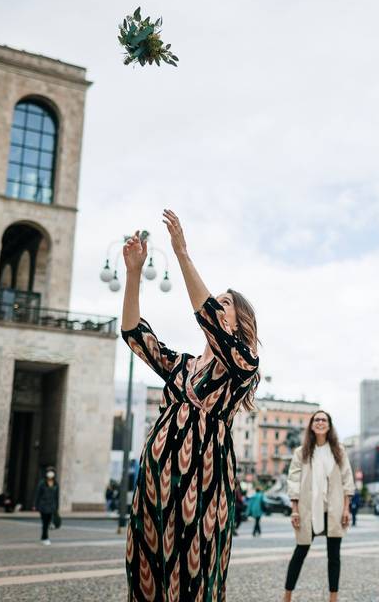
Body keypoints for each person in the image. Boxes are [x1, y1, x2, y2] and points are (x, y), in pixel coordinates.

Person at [121, 210, 260, 602]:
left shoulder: (244, 364)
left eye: (226, 302)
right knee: (147, 563)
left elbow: (208, 318)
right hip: (156, 479)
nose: (217, 302)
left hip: (202, 480)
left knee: (193, 571)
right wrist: (133, 275)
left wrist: (181, 254)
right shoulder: (182, 366)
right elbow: (135, 335)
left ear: (239, 321)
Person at [282, 410, 355, 602]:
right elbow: (294, 481)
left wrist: (346, 508)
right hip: (308, 510)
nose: (320, 422)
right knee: (300, 552)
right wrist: (294, 510)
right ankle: (287, 596)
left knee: (334, 556)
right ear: (312, 425)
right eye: (317, 420)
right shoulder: (301, 452)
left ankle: (333, 598)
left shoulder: (339, 450)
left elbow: (347, 479)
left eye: (324, 420)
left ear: (329, 425)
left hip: (334, 509)